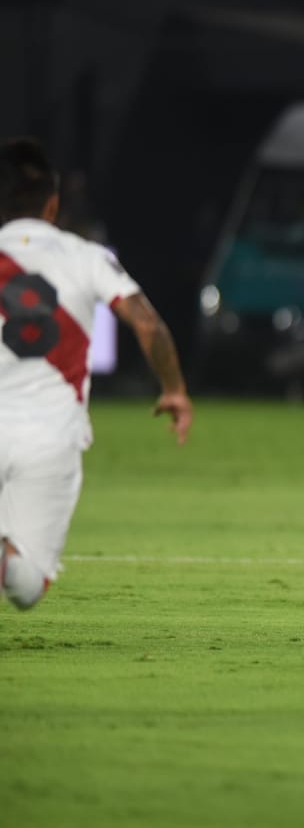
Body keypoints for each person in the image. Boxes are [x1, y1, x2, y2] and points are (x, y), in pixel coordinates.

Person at [0, 137, 194, 610]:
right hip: (51, 439)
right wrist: (174, 390)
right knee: (26, 588)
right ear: (52, 204)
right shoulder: (85, 257)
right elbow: (148, 324)